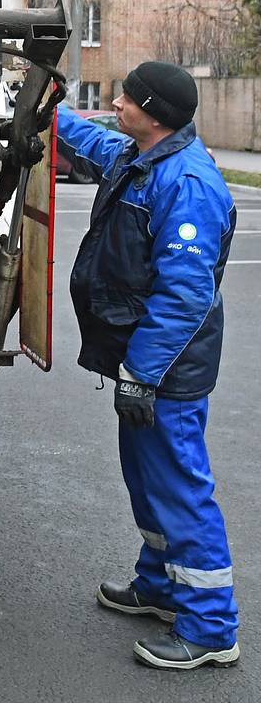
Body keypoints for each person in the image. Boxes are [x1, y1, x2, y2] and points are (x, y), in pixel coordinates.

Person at [57, 61, 239, 670]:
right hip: (145, 366)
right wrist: (42, 111)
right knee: (146, 478)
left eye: (127, 98)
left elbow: (185, 296)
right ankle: (161, 588)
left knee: (180, 487)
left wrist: (143, 373)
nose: (115, 103)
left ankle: (211, 629)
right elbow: (94, 140)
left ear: (153, 113)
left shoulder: (188, 184)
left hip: (167, 371)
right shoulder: (145, 158)